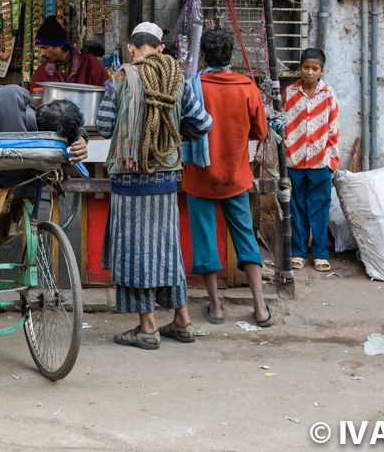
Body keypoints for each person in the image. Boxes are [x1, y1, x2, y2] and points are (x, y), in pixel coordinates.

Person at [97, 22, 212, 350]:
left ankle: (147, 328)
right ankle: (182, 321)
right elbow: (202, 123)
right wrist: (173, 131)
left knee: (135, 252)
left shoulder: (119, 80)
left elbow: (104, 126)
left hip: (129, 179)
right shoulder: (177, 81)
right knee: (167, 249)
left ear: (130, 48)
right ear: (161, 48)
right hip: (167, 179)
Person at [181, 28, 273, 327]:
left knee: (205, 241)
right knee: (245, 237)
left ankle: (216, 307)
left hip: (199, 177)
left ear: (203, 57)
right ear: (229, 55)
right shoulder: (246, 86)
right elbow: (260, 131)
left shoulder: (191, 87)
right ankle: (260, 307)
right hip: (236, 175)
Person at [283, 47, 341, 273]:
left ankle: (319, 253)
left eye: (314, 68)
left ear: (321, 71)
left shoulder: (328, 94)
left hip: (320, 161)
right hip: (294, 159)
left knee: (319, 208)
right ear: (300, 68)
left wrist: (330, 160)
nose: (309, 72)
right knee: (296, 208)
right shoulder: (289, 93)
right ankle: (298, 252)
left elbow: (334, 128)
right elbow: (283, 124)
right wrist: (286, 152)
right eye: (306, 67)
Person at [30, 16, 110, 90]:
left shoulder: (90, 64)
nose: (41, 53)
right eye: (39, 48)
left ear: (60, 45)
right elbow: (34, 96)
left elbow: (109, 93)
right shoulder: (42, 71)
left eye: (45, 48)